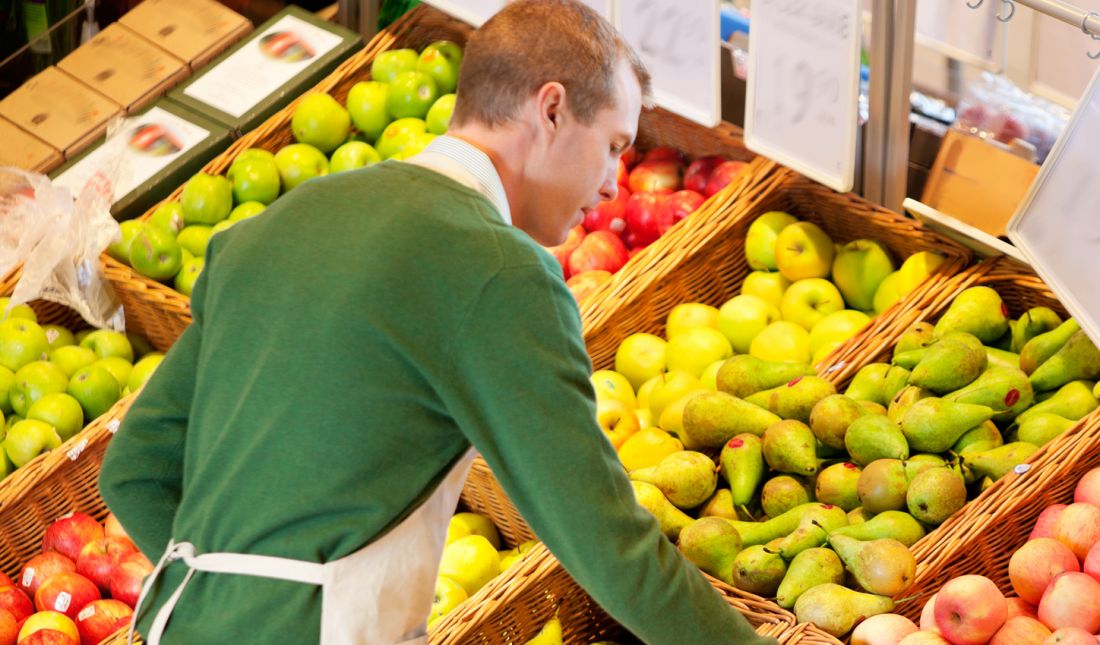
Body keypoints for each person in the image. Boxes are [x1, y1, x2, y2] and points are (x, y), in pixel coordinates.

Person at [99, 1, 778, 643]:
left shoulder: (280, 221)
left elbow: (134, 468)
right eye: (611, 145)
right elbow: (609, 543)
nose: (610, 181)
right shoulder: (498, 272)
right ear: (551, 110)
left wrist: (227, 604)